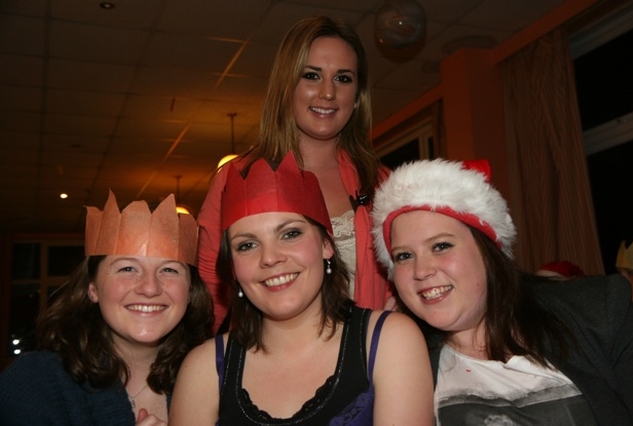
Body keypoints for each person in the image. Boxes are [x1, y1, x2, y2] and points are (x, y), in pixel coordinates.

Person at [371, 158, 633, 425]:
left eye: (441, 246)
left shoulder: (599, 314)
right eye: (404, 255)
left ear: (489, 251)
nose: (421, 270)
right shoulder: (402, 364)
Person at [169, 153, 433, 425]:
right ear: (233, 270)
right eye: (247, 245)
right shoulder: (203, 369)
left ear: (326, 246)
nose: (270, 257)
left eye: (290, 234)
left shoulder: (389, 341)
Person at [198, 15, 393, 334]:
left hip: (368, 361)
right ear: (286, 84)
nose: (328, 93)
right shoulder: (238, 177)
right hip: (265, 365)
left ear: (357, 96)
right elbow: (210, 289)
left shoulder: (382, 183)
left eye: (343, 79)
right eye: (312, 75)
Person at [0, 191, 213, 425]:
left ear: (191, 290)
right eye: (127, 269)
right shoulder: (32, 383)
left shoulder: (222, 378)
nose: (150, 288)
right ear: (93, 289)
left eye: (169, 270)